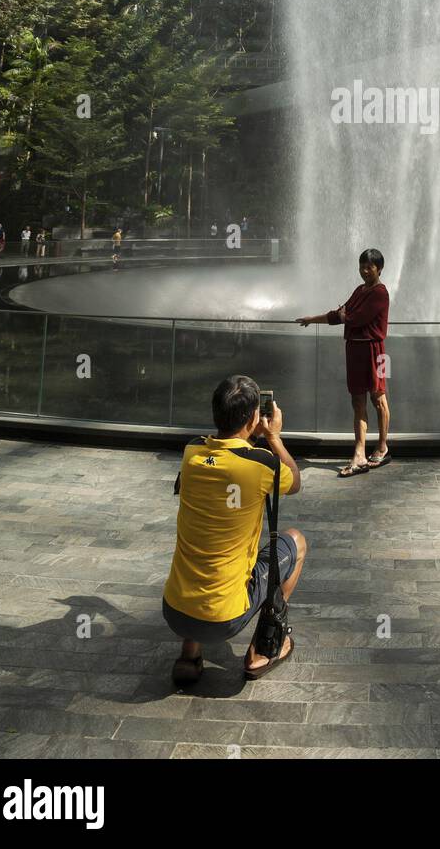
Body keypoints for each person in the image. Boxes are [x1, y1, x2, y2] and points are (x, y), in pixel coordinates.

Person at [163, 375, 305, 685]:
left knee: (204, 547)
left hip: (174, 610)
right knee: (296, 541)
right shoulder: (260, 464)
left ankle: (190, 652)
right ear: (255, 417)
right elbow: (294, 482)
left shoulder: (192, 452)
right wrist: (275, 437)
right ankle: (263, 648)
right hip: (223, 619)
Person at [296, 248, 390, 477]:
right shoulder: (359, 290)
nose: (364, 271)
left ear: (379, 268)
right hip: (355, 350)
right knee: (357, 401)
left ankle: (382, 446)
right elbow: (339, 314)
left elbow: (355, 317)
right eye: (362, 266)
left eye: (369, 267)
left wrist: (345, 315)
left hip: (377, 352)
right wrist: (312, 319)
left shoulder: (380, 293)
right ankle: (359, 453)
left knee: (379, 398)